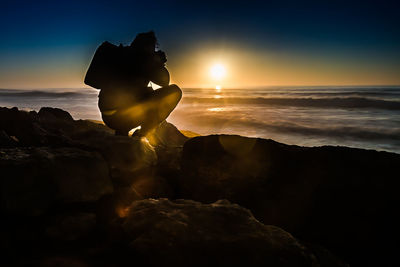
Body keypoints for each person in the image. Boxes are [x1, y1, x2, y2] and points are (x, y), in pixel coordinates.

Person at [84, 31, 182, 136]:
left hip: (109, 115)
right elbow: (165, 83)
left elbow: (164, 82)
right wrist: (155, 62)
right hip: (122, 114)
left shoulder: (122, 55)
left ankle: (123, 133)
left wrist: (154, 63)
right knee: (175, 92)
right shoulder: (140, 60)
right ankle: (141, 135)